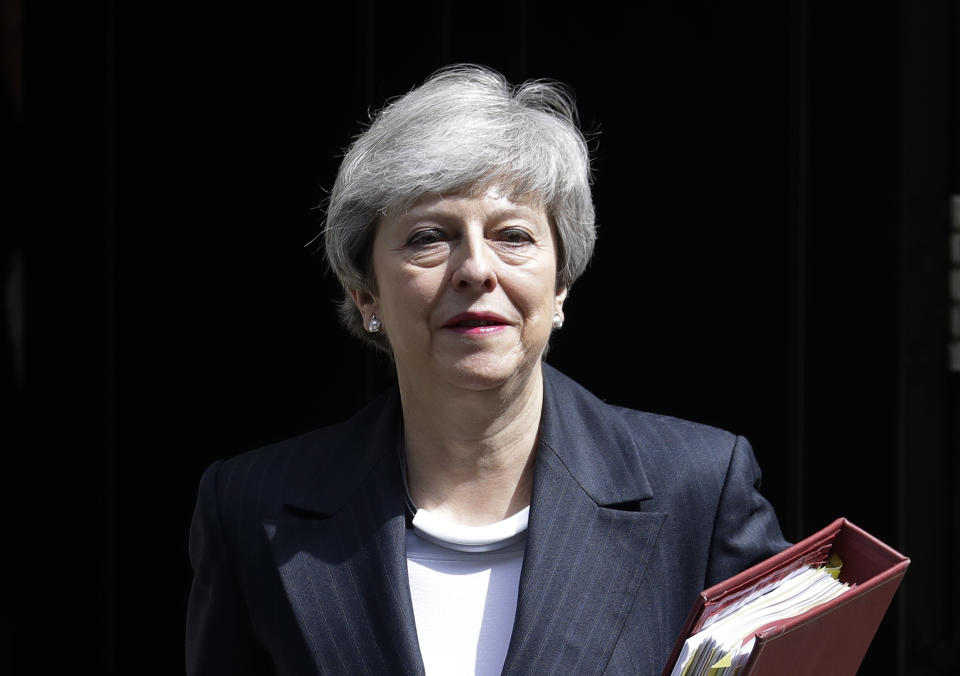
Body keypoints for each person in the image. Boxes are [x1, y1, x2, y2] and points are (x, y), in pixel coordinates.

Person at [185, 65, 788, 676]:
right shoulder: (250, 509)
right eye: (428, 236)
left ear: (561, 284)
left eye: (513, 236)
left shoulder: (701, 489)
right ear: (365, 293)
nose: (476, 269)